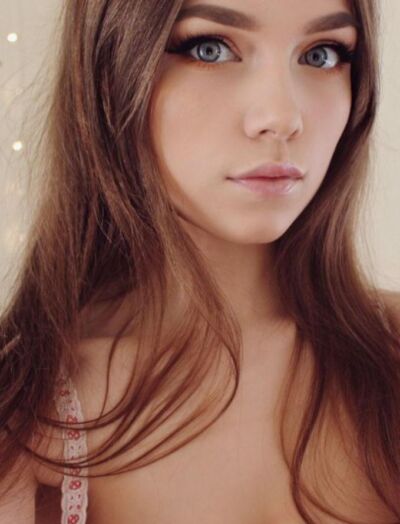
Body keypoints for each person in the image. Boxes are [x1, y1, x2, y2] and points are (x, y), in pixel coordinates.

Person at [0, 0, 399, 522]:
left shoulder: (388, 355)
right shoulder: (29, 417)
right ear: (111, 68)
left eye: (322, 54)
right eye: (210, 49)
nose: (282, 117)